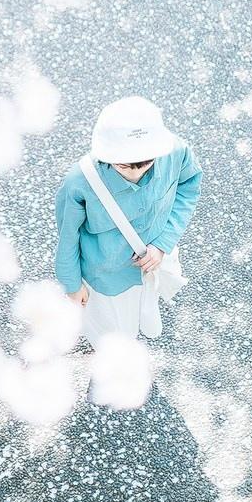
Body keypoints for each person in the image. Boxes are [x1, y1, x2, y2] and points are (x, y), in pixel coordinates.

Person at [54, 95, 203, 345]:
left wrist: (162, 243)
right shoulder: (78, 183)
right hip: (106, 277)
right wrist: (72, 285)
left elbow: (189, 186)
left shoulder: (176, 153)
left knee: (140, 313)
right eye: (124, 166)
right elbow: (68, 237)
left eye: (147, 163)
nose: (137, 172)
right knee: (113, 334)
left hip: (150, 265)